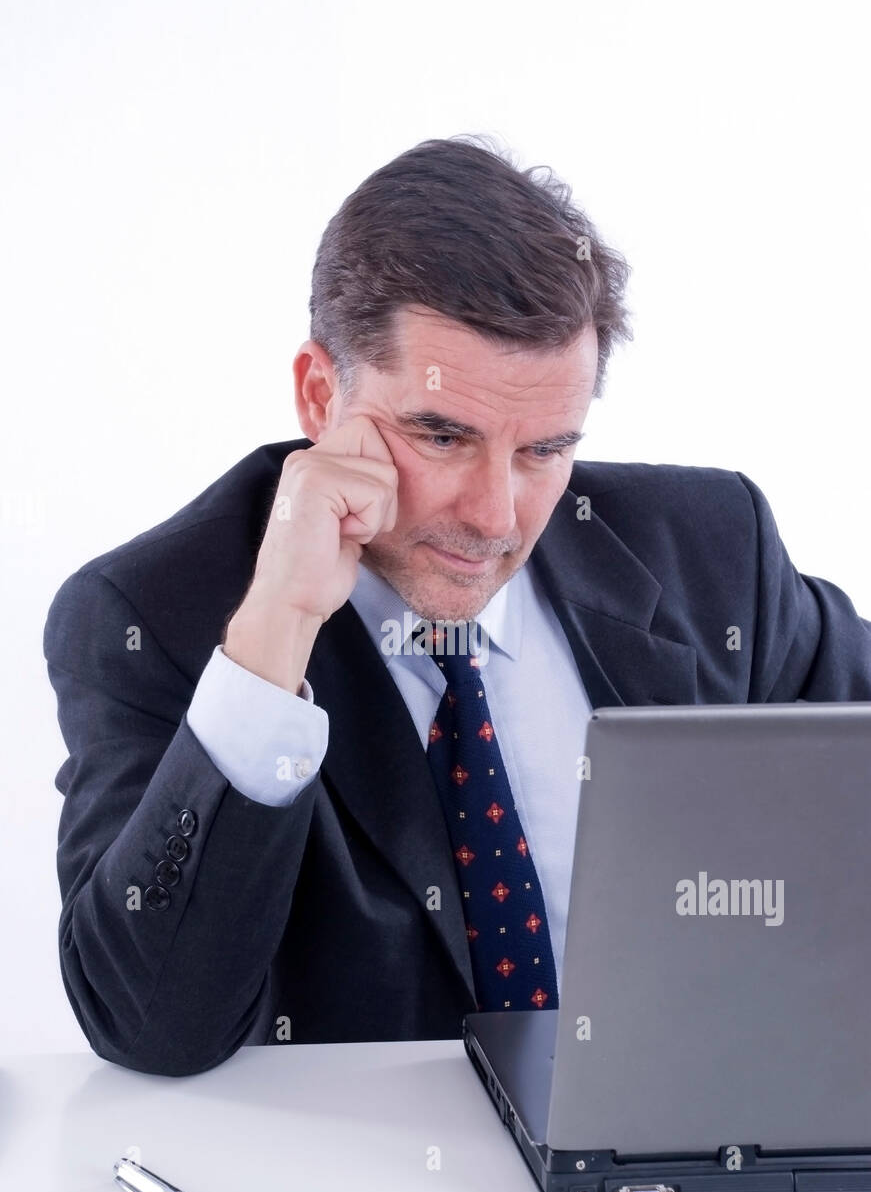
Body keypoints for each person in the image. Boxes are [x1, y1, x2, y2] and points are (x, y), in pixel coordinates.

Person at [44, 135, 871, 1077]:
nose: (495, 516)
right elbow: (153, 1028)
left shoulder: (714, 550)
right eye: (441, 436)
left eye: (543, 450)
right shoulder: (148, 618)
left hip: (687, 1155)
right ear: (322, 396)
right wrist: (274, 637)